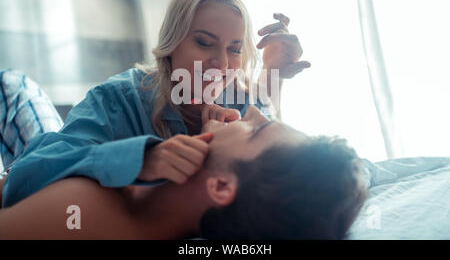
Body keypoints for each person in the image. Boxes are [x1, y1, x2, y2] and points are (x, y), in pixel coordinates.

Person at [1, 0, 311, 208]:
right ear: (171, 45)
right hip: (48, 162)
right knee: (12, 87)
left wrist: (274, 75)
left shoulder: (242, 102)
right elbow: (20, 180)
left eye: (234, 49)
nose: (221, 64)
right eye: (204, 42)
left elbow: (282, 160)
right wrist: (141, 160)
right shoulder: (118, 99)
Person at [0, 106, 368, 239]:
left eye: (257, 129)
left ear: (222, 186)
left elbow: (21, 175)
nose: (250, 113)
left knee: (13, 89)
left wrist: (130, 158)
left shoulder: (90, 206)